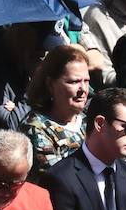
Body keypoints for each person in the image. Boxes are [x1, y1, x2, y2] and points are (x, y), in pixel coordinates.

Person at [21, 43, 89, 179]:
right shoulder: (36, 128)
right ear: (51, 84)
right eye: (73, 82)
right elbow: (57, 180)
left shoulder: (90, 120)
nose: (83, 90)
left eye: (86, 81)